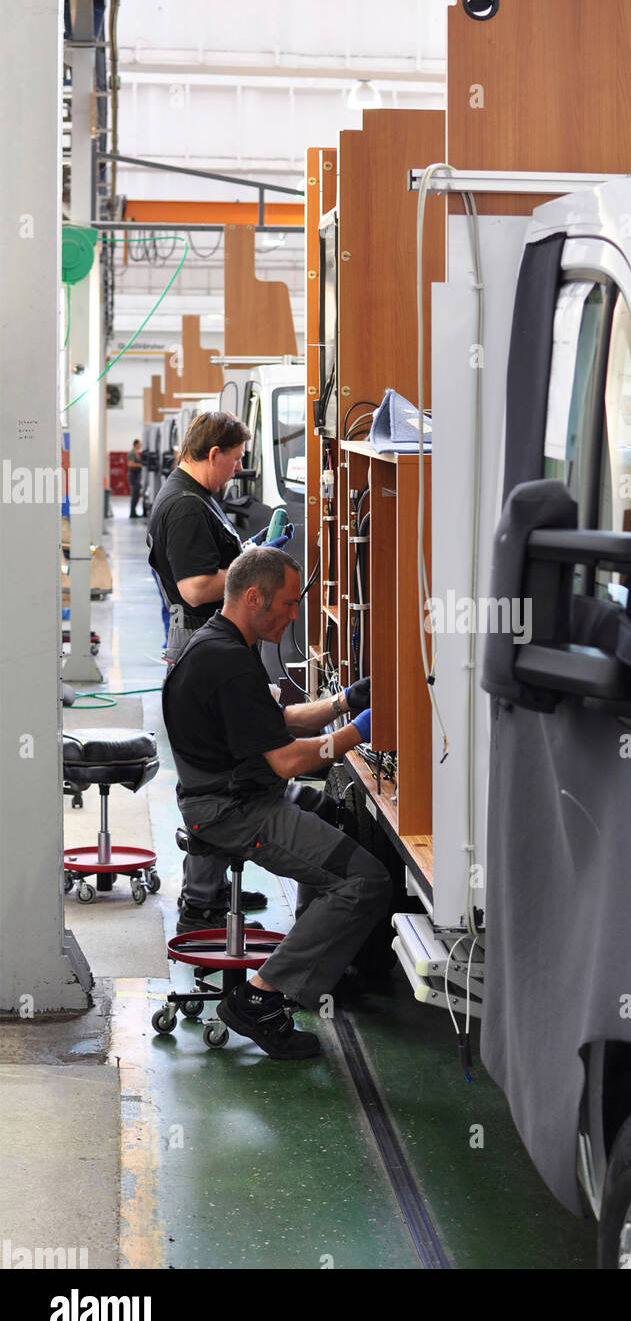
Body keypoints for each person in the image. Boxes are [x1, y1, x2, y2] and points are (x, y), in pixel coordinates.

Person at [163, 548, 387, 1060]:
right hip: (233, 811)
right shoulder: (228, 661)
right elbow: (287, 761)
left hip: (233, 793)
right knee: (367, 880)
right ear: (253, 596)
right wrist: (358, 732)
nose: (292, 615)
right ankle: (261, 998)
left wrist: (344, 702)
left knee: (332, 813)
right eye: (287, 605)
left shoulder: (221, 643)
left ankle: (320, 959)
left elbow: (279, 721)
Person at [147, 409, 294, 929]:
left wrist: (252, 550)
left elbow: (216, 566)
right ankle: (204, 903)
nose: (236, 470)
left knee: (223, 766)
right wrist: (253, 562)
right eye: (233, 460)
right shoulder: (185, 506)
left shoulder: (196, 496)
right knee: (217, 771)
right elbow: (195, 587)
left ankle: (208, 892)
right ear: (213, 454)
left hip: (208, 637)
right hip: (198, 637)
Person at [127, 439, 144, 518]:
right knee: (135, 494)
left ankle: (133, 512)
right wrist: (140, 465)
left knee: (136, 494)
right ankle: (132, 513)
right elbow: (130, 464)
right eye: (140, 444)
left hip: (136, 476)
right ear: (136, 444)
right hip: (133, 476)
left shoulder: (136, 453)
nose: (141, 445)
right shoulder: (132, 453)